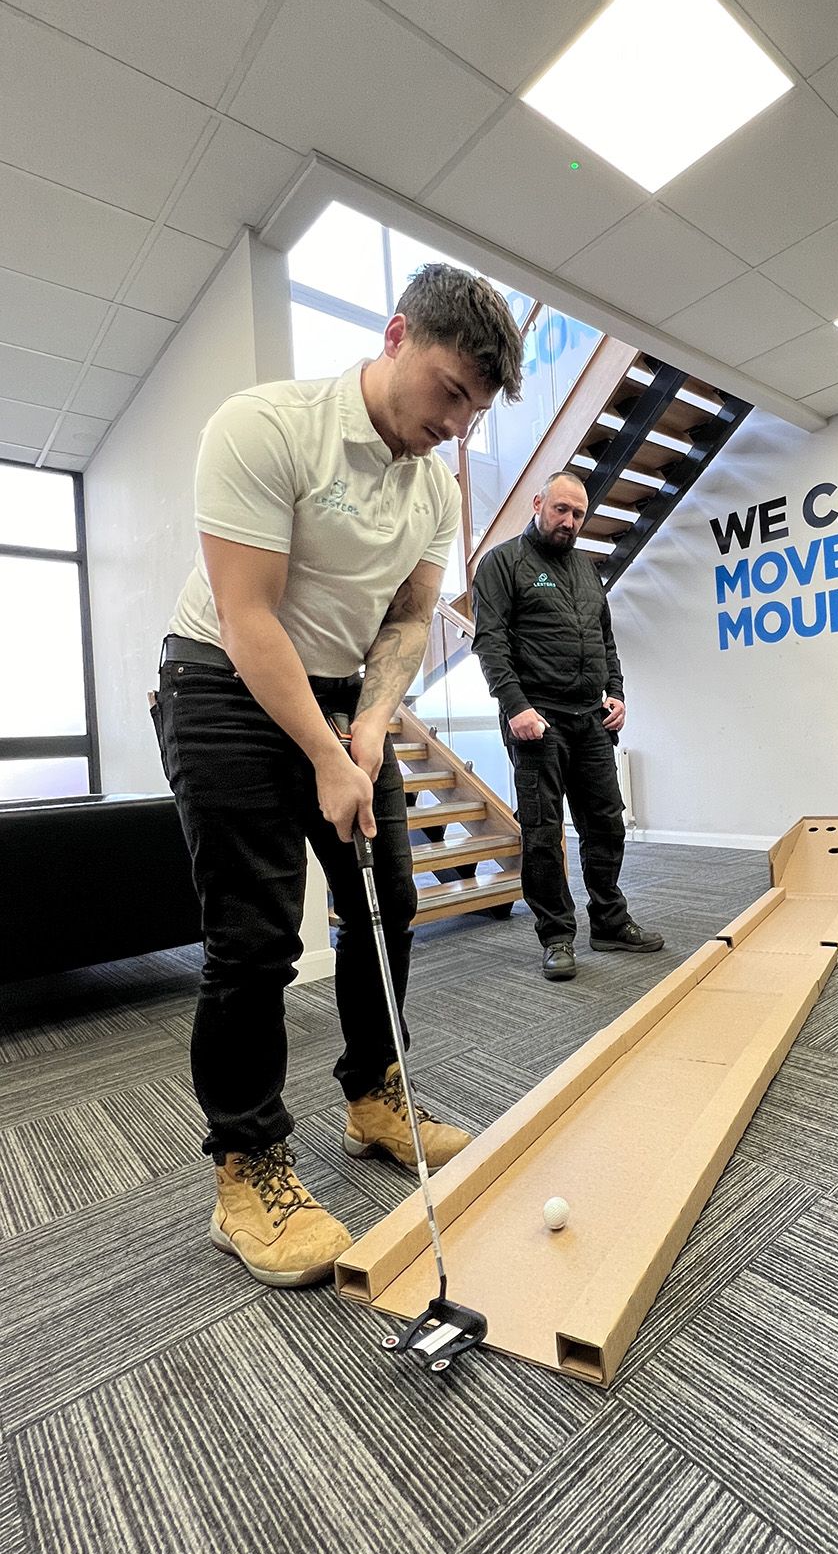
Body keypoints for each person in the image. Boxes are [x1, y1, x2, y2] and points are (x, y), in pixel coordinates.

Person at [152, 264, 524, 1287]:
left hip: (340, 692)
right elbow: (247, 616)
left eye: (474, 413)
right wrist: (322, 752)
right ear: (397, 335)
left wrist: (365, 729)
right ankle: (246, 1164)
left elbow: (407, 618)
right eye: (449, 392)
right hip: (222, 683)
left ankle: (371, 1098)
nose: (454, 426)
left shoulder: (433, 487)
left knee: (387, 901)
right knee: (256, 933)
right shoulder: (268, 426)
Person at [471, 470, 664, 981]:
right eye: (561, 510)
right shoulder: (502, 563)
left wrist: (616, 693)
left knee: (606, 823)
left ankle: (609, 921)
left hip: (591, 719)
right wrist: (516, 708)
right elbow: (490, 644)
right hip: (538, 718)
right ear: (538, 503)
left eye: (578, 514)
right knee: (542, 832)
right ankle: (556, 935)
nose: (569, 521)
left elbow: (606, 642)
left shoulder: (586, 569)